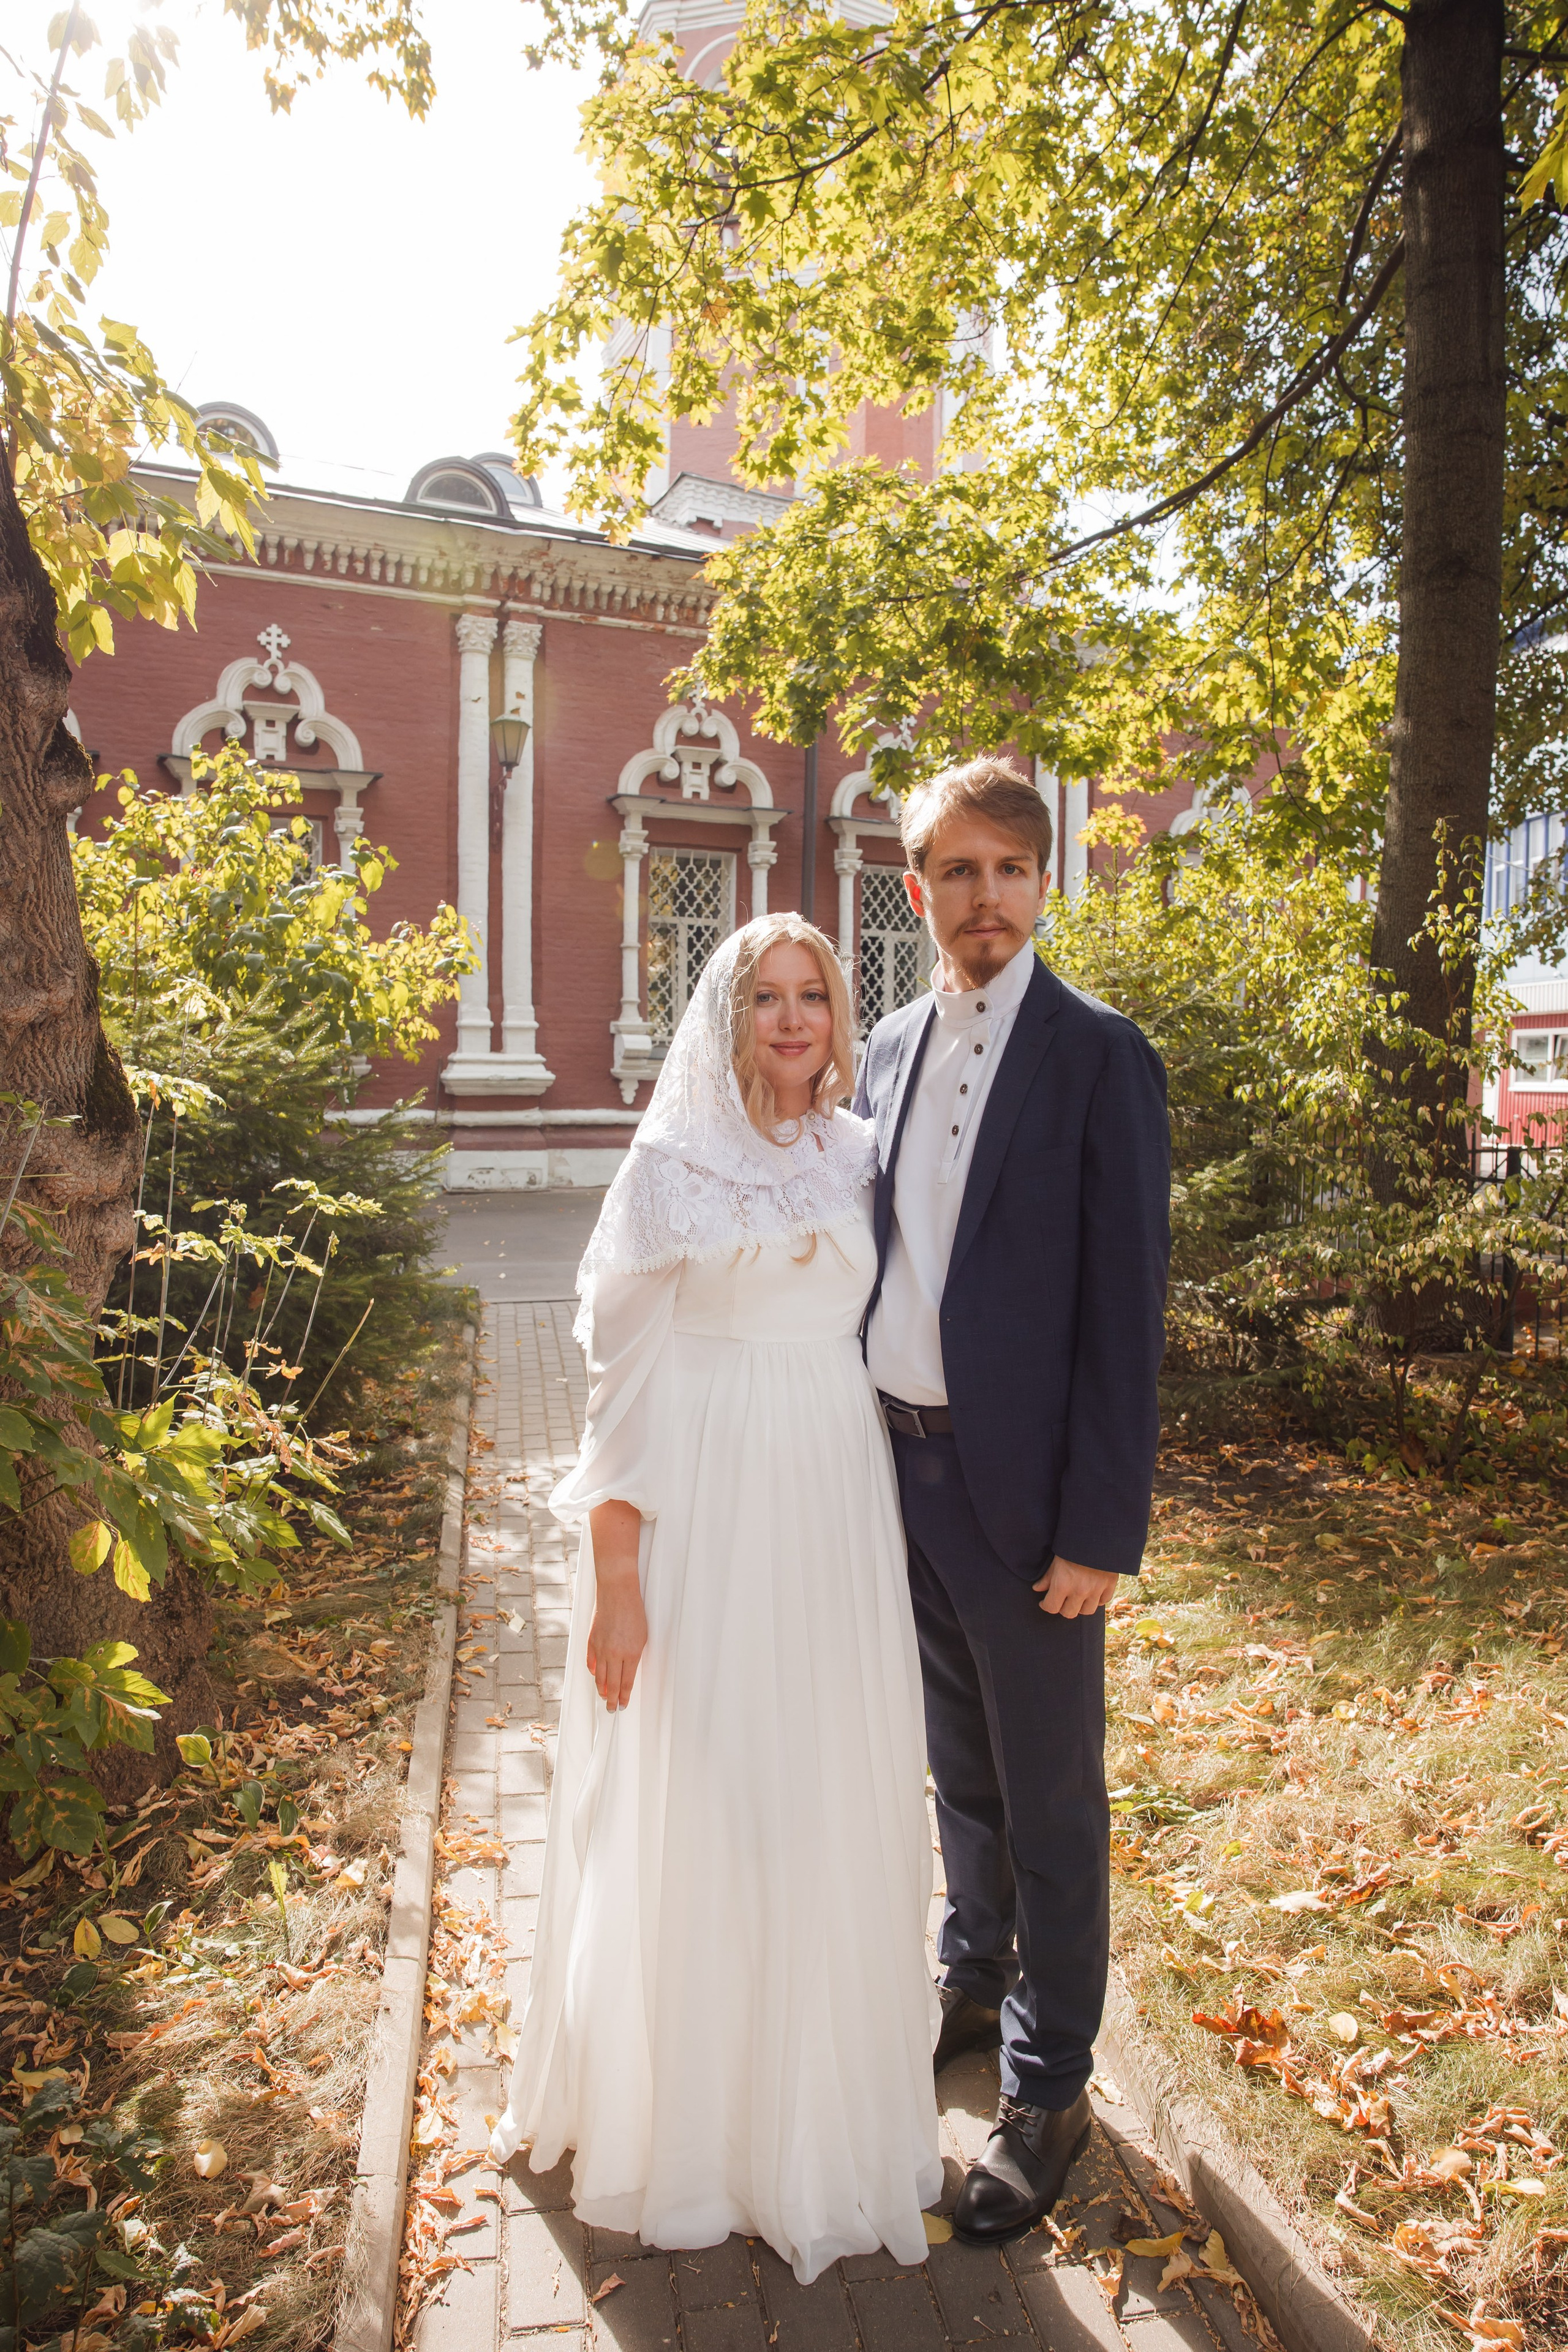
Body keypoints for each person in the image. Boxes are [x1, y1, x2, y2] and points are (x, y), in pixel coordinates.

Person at [489, 913, 943, 2284]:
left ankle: (815, 2120)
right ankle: (693, 2131)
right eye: (767, 996)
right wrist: (617, 1582)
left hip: (834, 1504)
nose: (795, 1018)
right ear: (729, 1014)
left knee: (825, 1796)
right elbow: (620, 1393)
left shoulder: (863, 1154)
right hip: (707, 1516)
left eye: (814, 994)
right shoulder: (671, 1164)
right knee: (713, 1796)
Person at [856, 757, 1170, 2248]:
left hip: (1030, 1498)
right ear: (915, 888)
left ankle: (1047, 2091)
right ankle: (968, 1980)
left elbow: (1123, 1310)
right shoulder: (883, 1051)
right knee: (957, 1774)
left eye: (1007, 871)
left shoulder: (1101, 1057)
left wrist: (1099, 1530)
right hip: (893, 1473)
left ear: (1042, 884)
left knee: (1048, 1799)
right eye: (953, 873)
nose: (981, 899)